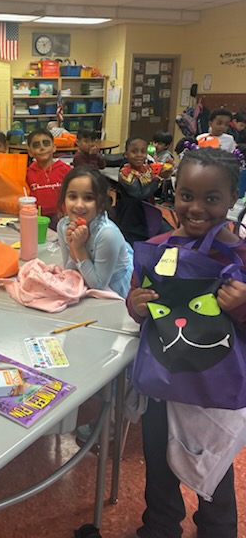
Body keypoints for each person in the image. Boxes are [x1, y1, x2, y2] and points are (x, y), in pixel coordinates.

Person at [127, 147, 246, 538]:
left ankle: (218, 530)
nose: (196, 208)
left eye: (212, 198)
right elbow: (138, 301)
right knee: (159, 465)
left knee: (214, 467)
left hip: (214, 392)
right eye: (187, 195)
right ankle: (159, 527)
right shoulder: (159, 247)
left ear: (232, 199)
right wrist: (136, 305)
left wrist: (242, 308)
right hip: (165, 385)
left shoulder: (241, 255)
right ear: (172, 193)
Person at [57, 166, 133, 298]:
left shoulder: (107, 235)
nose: (79, 205)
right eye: (72, 196)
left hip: (115, 290)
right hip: (86, 282)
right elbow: (70, 271)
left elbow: (99, 285)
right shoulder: (64, 226)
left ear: (100, 201)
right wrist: (72, 247)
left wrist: (78, 248)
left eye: (88, 198)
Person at [116, 136, 172, 245]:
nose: (139, 155)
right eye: (134, 151)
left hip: (149, 211)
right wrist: (158, 178)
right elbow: (139, 194)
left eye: (143, 151)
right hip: (132, 217)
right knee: (138, 246)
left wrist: (167, 170)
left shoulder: (147, 168)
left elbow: (155, 190)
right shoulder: (125, 172)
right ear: (126, 154)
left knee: (170, 235)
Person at [26, 128, 71, 230]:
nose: (42, 148)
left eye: (46, 143)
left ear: (54, 147)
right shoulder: (27, 173)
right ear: (30, 152)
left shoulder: (66, 170)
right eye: (36, 145)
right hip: (37, 221)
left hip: (63, 219)